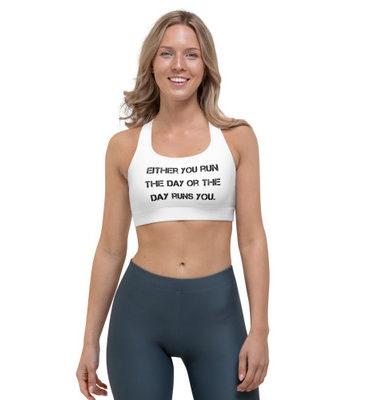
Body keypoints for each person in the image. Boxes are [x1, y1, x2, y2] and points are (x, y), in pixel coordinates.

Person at [76, 9, 270, 400]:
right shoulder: (124, 146)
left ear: (205, 65)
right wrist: (89, 340)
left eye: (191, 54)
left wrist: (260, 330)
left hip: (217, 315)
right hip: (139, 319)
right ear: (152, 63)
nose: (178, 65)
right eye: (167, 53)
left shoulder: (236, 139)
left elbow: (251, 239)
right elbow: (110, 248)